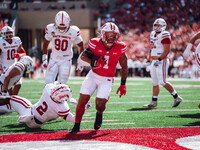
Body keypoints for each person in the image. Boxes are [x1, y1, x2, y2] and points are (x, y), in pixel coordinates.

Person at [69, 22, 128, 133]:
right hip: (93, 75)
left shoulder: (120, 47)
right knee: (82, 100)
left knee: (100, 105)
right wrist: (94, 61)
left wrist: (123, 84)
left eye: (114, 35)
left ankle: (99, 114)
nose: (111, 38)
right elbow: (81, 59)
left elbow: (124, 66)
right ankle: (76, 126)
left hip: (107, 79)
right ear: (103, 34)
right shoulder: (95, 43)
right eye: (109, 35)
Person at [144, 18, 183, 108]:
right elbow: (151, 48)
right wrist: (148, 61)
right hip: (154, 61)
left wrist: (159, 59)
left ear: (163, 26)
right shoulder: (152, 34)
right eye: (156, 25)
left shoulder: (165, 34)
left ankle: (177, 97)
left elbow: (167, 50)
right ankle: (154, 101)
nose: (157, 27)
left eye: (159, 25)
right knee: (154, 82)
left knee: (162, 81)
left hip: (162, 61)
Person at [0, 83, 76, 128]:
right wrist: (82, 108)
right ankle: (26, 117)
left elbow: (47, 85)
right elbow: (73, 119)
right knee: (56, 114)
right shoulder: (62, 107)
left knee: (11, 98)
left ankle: (26, 116)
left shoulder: (48, 90)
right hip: (37, 124)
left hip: (30, 112)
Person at [42, 11, 84, 85]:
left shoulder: (73, 31)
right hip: (53, 59)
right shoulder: (51, 29)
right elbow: (45, 43)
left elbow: (81, 45)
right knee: (47, 84)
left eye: (63, 26)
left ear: (68, 23)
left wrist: (81, 62)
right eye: (59, 26)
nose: (61, 29)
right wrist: (44, 58)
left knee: (62, 85)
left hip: (66, 60)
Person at [0, 26, 26, 95]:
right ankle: (9, 100)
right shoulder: (1, 42)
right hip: (4, 65)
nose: (9, 35)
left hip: (14, 64)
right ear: (3, 34)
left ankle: (12, 99)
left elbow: (23, 53)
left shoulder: (16, 40)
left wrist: (19, 55)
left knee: (18, 84)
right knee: (8, 86)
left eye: (10, 33)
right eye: (7, 33)